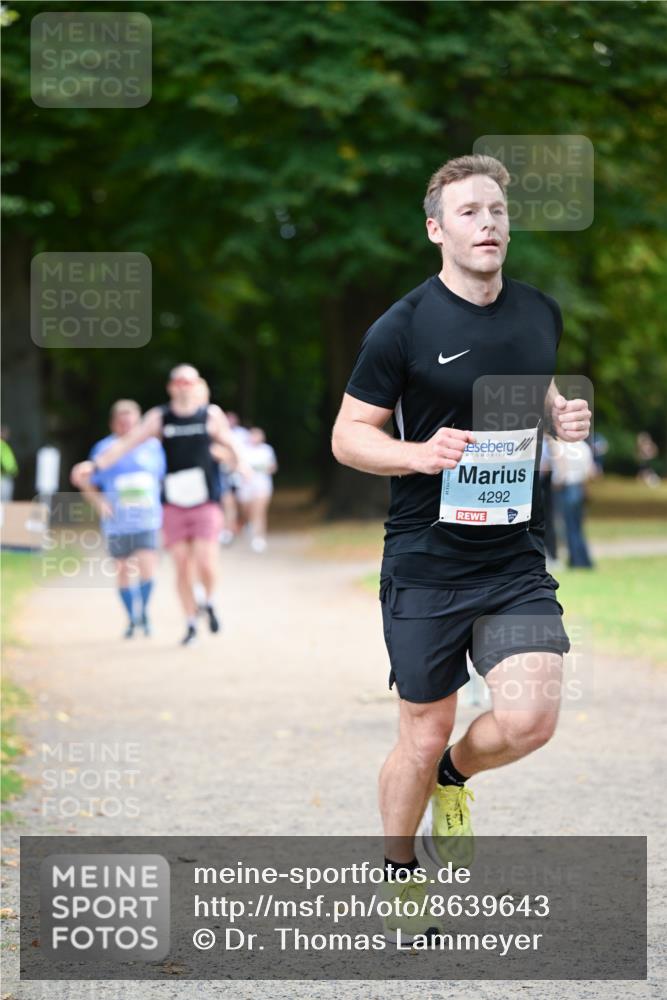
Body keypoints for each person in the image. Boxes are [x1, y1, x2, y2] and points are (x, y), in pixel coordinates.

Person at [332, 154, 591, 944]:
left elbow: (530, 388)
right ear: (436, 229)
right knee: (419, 727)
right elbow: (348, 436)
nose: (489, 224)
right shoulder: (402, 325)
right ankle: (401, 876)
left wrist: (560, 416)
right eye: (470, 212)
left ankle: (456, 775)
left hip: (512, 559)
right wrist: (417, 455)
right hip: (425, 560)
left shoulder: (538, 311)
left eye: (497, 212)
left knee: (530, 719)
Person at [72, 365, 248, 646]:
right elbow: (125, 445)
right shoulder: (160, 417)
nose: (183, 386)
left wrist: (242, 465)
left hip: (205, 502)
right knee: (181, 566)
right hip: (173, 504)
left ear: (197, 385)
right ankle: (190, 623)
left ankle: (209, 600)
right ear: (170, 387)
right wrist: (94, 465)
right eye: (177, 381)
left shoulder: (210, 416)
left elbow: (231, 443)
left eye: (188, 381)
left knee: (205, 560)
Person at [73, 400, 165, 638]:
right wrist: (99, 502)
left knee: (147, 567)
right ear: (113, 423)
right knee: (123, 570)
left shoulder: (154, 447)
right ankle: (131, 618)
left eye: (131, 419)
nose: (126, 424)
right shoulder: (103, 449)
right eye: (121, 420)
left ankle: (143, 611)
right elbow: (87, 482)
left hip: (146, 519)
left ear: (139, 421)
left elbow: (162, 478)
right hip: (117, 521)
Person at [551, 438, 596, 569]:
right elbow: (590, 471)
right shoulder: (583, 447)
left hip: (567, 488)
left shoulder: (561, 447)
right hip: (579, 488)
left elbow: (561, 473)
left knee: (569, 527)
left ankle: (576, 561)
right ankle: (584, 560)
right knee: (578, 527)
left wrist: (555, 484)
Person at [237, 427, 278, 553]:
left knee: (259, 511)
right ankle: (249, 524)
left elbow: (273, 467)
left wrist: (266, 468)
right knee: (247, 510)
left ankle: (259, 538)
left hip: (262, 485)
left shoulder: (267, 450)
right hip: (246, 485)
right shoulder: (242, 450)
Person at [0, 426, 18, 502]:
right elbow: (7, 464)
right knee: (4, 504)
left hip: (6, 477)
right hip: (3, 478)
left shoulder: (4, 445)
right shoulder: (2, 445)